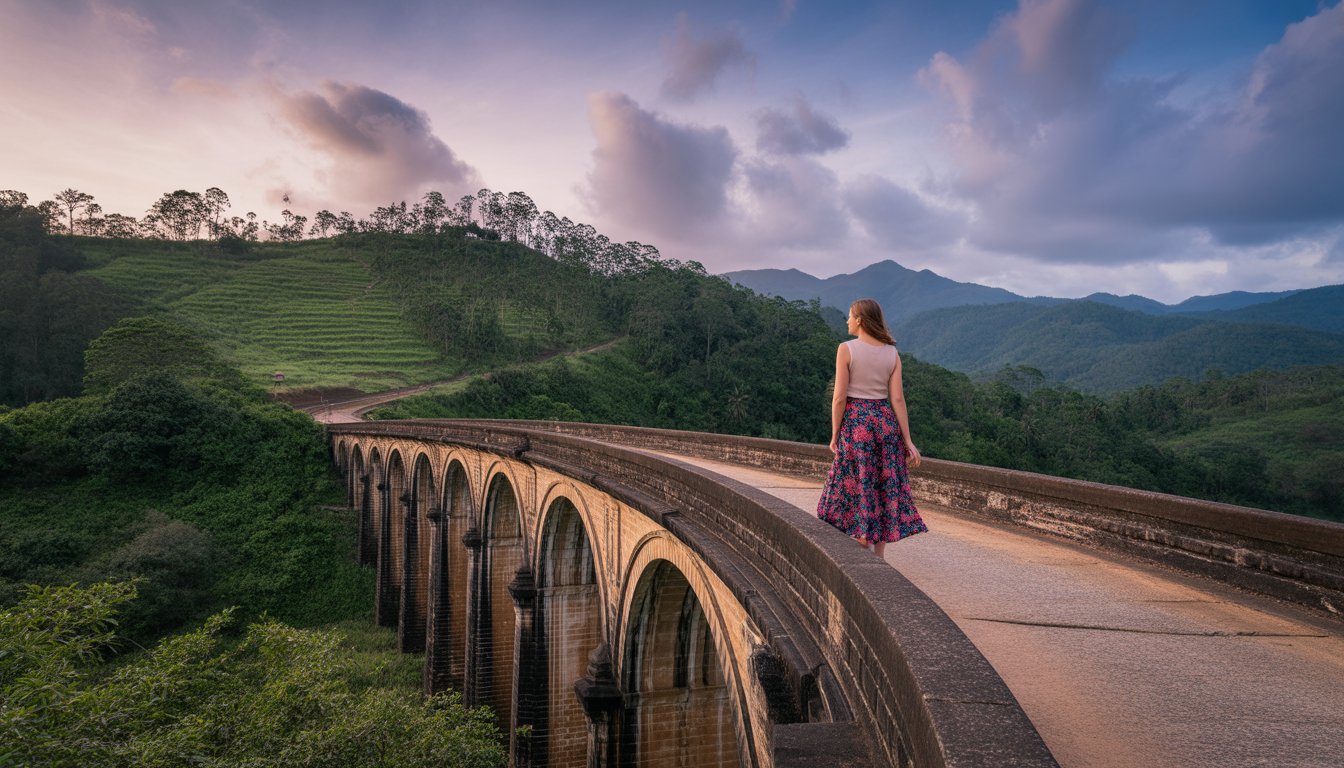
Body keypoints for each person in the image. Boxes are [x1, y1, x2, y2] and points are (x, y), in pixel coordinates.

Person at [816, 298, 928, 557]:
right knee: (882, 482)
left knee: (860, 480)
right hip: (885, 421)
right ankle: (879, 553)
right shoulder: (892, 352)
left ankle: (862, 538)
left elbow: (839, 397)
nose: (847, 320)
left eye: (850, 316)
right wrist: (907, 440)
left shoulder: (847, 349)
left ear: (860, 321)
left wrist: (834, 433)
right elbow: (897, 399)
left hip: (857, 422)